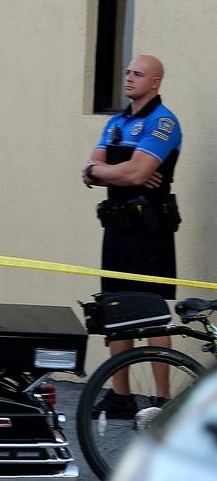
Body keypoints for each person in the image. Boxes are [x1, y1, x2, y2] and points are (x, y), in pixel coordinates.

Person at [82, 54, 182, 418]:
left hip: (149, 231)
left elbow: (138, 175)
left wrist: (107, 170)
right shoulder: (117, 122)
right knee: (115, 308)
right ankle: (120, 397)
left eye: (137, 74)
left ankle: (162, 399)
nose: (128, 78)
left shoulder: (163, 122)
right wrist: (109, 170)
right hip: (116, 230)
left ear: (155, 82)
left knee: (153, 314)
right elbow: (90, 169)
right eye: (127, 71)